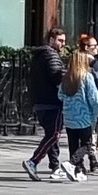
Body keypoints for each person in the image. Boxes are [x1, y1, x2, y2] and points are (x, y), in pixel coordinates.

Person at [22, 25, 68, 180]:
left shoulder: (39, 56)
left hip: (39, 101)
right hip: (52, 101)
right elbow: (57, 76)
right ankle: (33, 161)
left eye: (64, 41)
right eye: (60, 40)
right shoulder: (51, 56)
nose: (62, 44)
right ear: (51, 40)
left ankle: (55, 166)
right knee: (54, 134)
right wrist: (69, 75)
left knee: (51, 135)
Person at [56, 50, 98, 181]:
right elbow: (94, 97)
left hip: (69, 117)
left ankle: (78, 170)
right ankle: (72, 163)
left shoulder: (66, 78)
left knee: (73, 144)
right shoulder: (86, 77)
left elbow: (60, 95)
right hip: (84, 117)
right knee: (87, 144)